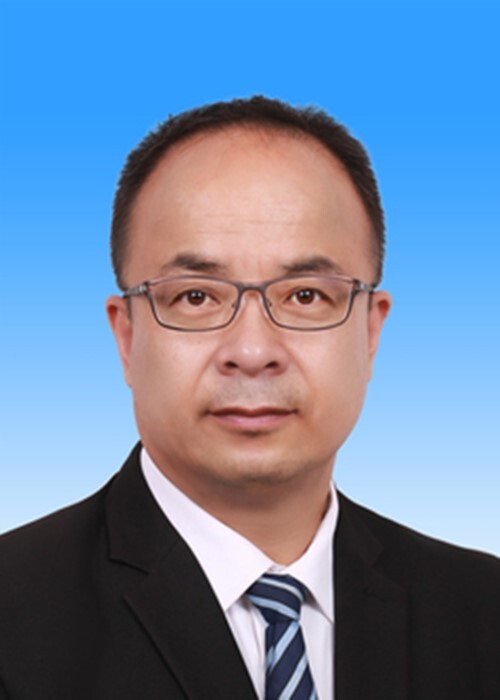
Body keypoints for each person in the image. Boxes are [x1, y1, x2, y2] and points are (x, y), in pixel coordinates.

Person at [0, 96, 498, 700]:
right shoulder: (13, 615)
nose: (254, 350)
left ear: (371, 331)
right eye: (196, 297)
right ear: (126, 336)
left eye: (306, 295)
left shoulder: (482, 612)